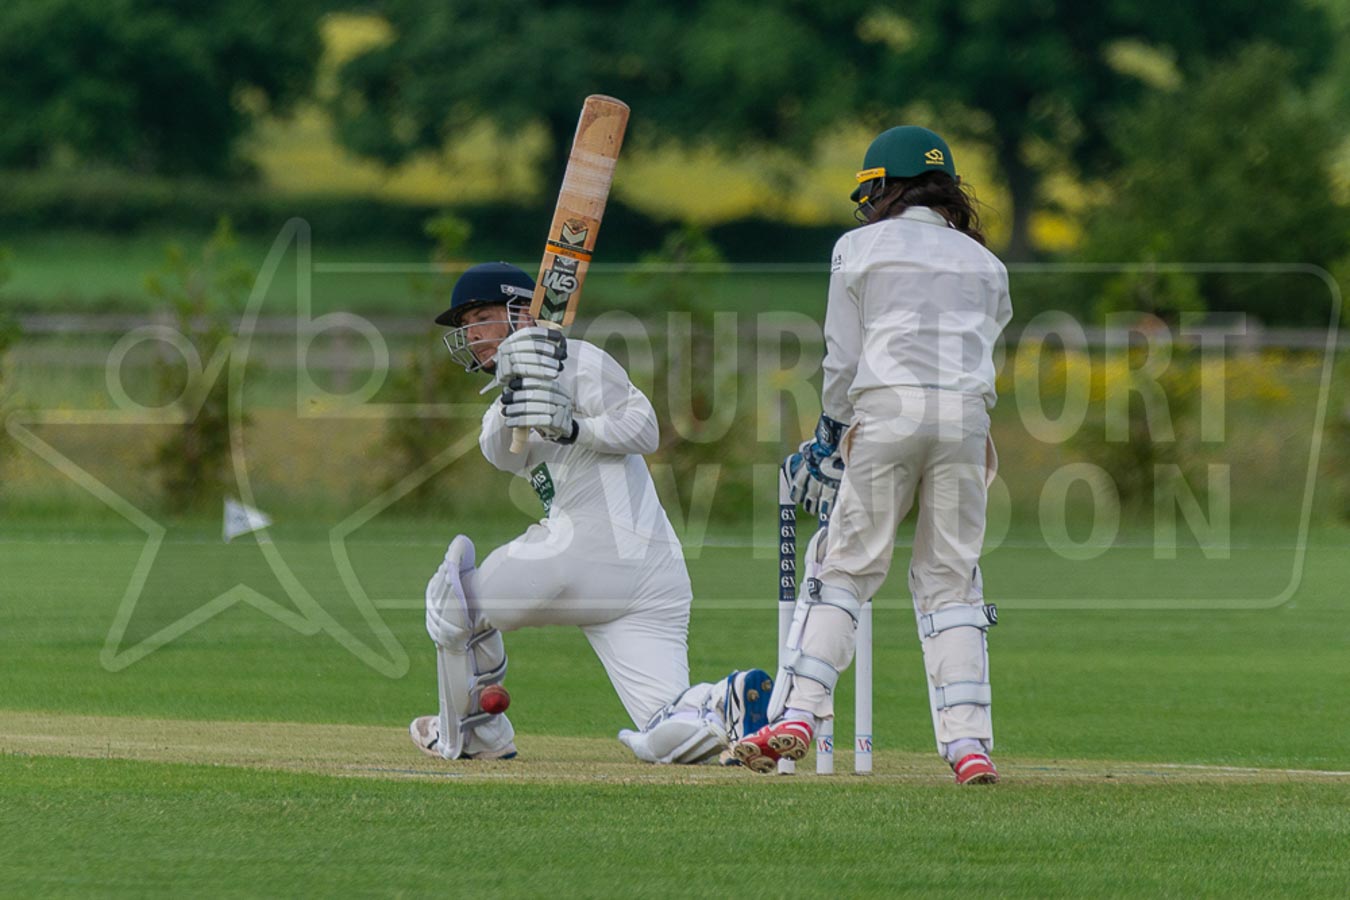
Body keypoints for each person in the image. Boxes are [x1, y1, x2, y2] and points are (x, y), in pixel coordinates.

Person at [732, 127, 1012, 784]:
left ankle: (798, 715)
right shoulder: (986, 263)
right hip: (966, 420)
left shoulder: (857, 248)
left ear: (886, 186)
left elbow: (842, 356)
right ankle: (969, 745)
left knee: (847, 568)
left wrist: (828, 436)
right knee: (951, 580)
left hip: (887, 410)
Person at [408, 261, 772, 764]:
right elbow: (501, 453)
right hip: (651, 576)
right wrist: (524, 395)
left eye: (480, 317)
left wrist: (573, 427)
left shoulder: (578, 361)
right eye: (465, 326)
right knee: (665, 728)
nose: (471, 335)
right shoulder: (506, 401)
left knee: (453, 603)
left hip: (586, 550)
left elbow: (643, 431)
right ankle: (725, 703)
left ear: (522, 312)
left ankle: (472, 736)